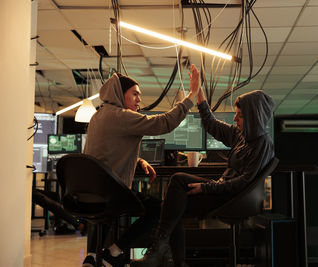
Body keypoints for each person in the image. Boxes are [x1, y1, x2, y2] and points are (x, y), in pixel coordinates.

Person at [131, 87, 275, 267]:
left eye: (240, 115)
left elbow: (244, 182)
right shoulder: (241, 135)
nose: (235, 119)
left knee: (177, 183)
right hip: (224, 191)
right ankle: (171, 259)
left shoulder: (262, 143)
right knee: (172, 206)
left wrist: (207, 187)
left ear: (254, 116)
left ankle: (161, 253)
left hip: (233, 198)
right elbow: (210, 123)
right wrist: (197, 91)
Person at [82, 64, 200, 267]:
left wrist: (137, 160)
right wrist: (191, 96)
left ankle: (92, 257)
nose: (139, 99)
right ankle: (115, 252)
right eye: (135, 94)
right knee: (159, 209)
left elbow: (103, 154)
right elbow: (164, 123)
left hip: (91, 193)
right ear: (120, 93)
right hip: (111, 195)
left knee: (115, 209)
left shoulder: (97, 116)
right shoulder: (122, 116)